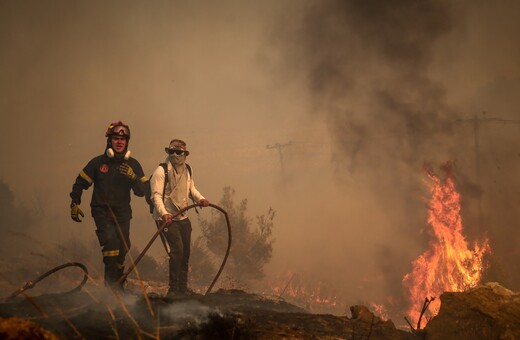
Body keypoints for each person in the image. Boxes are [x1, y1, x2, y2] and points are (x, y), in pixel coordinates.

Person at [69, 121, 148, 291]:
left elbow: (142, 192)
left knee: (123, 248)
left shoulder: (132, 165)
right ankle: (109, 291)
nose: (119, 142)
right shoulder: (97, 163)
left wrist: (133, 177)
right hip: (102, 212)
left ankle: (118, 287)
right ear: (109, 141)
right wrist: (74, 202)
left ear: (127, 142)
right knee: (111, 245)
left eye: (123, 139)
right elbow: (80, 182)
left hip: (123, 213)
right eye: (116, 138)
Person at [150, 139, 209, 297]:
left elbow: (191, 189)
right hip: (167, 218)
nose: (175, 155)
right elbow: (156, 196)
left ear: (185, 154)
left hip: (183, 216)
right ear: (168, 152)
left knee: (186, 252)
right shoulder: (161, 171)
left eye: (179, 152)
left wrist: (200, 199)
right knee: (177, 251)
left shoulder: (187, 170)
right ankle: (173, 290)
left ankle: (183, 288)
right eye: (171, 152)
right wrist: (164, 214)